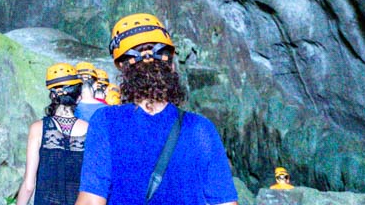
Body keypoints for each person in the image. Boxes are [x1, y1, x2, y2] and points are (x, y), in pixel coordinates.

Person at [75, 13, 239, 205]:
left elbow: (91, 201)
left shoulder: (106, 121)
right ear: (171, 63)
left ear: (121, 67)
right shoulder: (201, 129)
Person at [16, 63, 89, 205]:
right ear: (78, 97)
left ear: (52, 95)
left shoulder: (38, 128)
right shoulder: (90, 129)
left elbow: (29, 185)